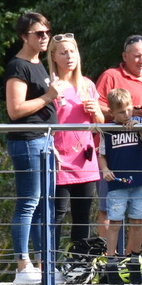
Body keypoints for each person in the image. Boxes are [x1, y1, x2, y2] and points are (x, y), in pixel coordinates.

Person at [94, 35, 142, 249]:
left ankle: (129, 260)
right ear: (125, 57)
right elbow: (96, 110)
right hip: (114, 157)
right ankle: (108, 262)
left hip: (141, 157)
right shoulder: (111, 76)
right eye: (136, 56)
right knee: (109, 211)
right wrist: (128, 115)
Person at [2, 11, 57, 285]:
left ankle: (42, 263)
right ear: (25, 36)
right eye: (39, 33)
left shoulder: (39, 64)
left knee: (42, 205)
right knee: (29, 203)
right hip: (27, 141)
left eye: (47, 32)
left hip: (45, 141)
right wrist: (48, 97)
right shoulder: (18, 66)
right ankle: (23, 265)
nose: (45, 37)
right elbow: (15, 110)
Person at [48, 33, 104, 270]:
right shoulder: (49, 84)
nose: (69, 56)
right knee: (57, 215)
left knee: (83, 217)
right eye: (63, 52)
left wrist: (95, 112)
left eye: (72, 51)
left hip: (85, 160)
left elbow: (100, 122)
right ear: (53, 56)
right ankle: (50, 265)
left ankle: (78, 265)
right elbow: (44, 122)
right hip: (59, 158)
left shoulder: (87, 85)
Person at [95, 88, 142, 281]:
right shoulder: (108, 129)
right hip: (117, 184)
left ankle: (134, 259)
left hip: (138, 182)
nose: (126, 115)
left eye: (129, 110)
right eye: (121, 112)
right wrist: (105, 169)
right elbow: (102, 155)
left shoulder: (138, 123)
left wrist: (140, 129)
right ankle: (111, 262)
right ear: (112, 112)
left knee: (138, 221)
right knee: (115, 222)